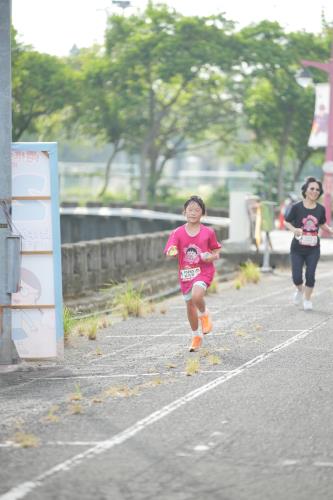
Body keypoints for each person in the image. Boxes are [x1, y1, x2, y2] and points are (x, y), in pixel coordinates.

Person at [164, 195, 222, 352]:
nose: (193, 213)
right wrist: (172, 251)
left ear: (202, 213)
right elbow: (170, 250)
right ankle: (196, 336)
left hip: (204, 271)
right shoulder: (177, 233)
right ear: (184, 212)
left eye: (197, 210)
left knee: (197, 296)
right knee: (189, 305)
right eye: (190, 210)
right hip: (186, 273)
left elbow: (216, 251)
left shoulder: (208, 232)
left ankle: (204, 314)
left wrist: (210, 256)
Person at [284, 176, 333, 310]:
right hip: (297, 248)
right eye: (312, 188)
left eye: (317, 189)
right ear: (305, 190)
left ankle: (307, 299)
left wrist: (330, 230)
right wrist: (295, 230)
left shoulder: (320, 209)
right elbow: (286, 221)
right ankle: (300, 290)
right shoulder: (296, 207)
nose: (315, 191)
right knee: (296, 277)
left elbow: (322, 224)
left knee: (310, 275)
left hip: (313, 248)